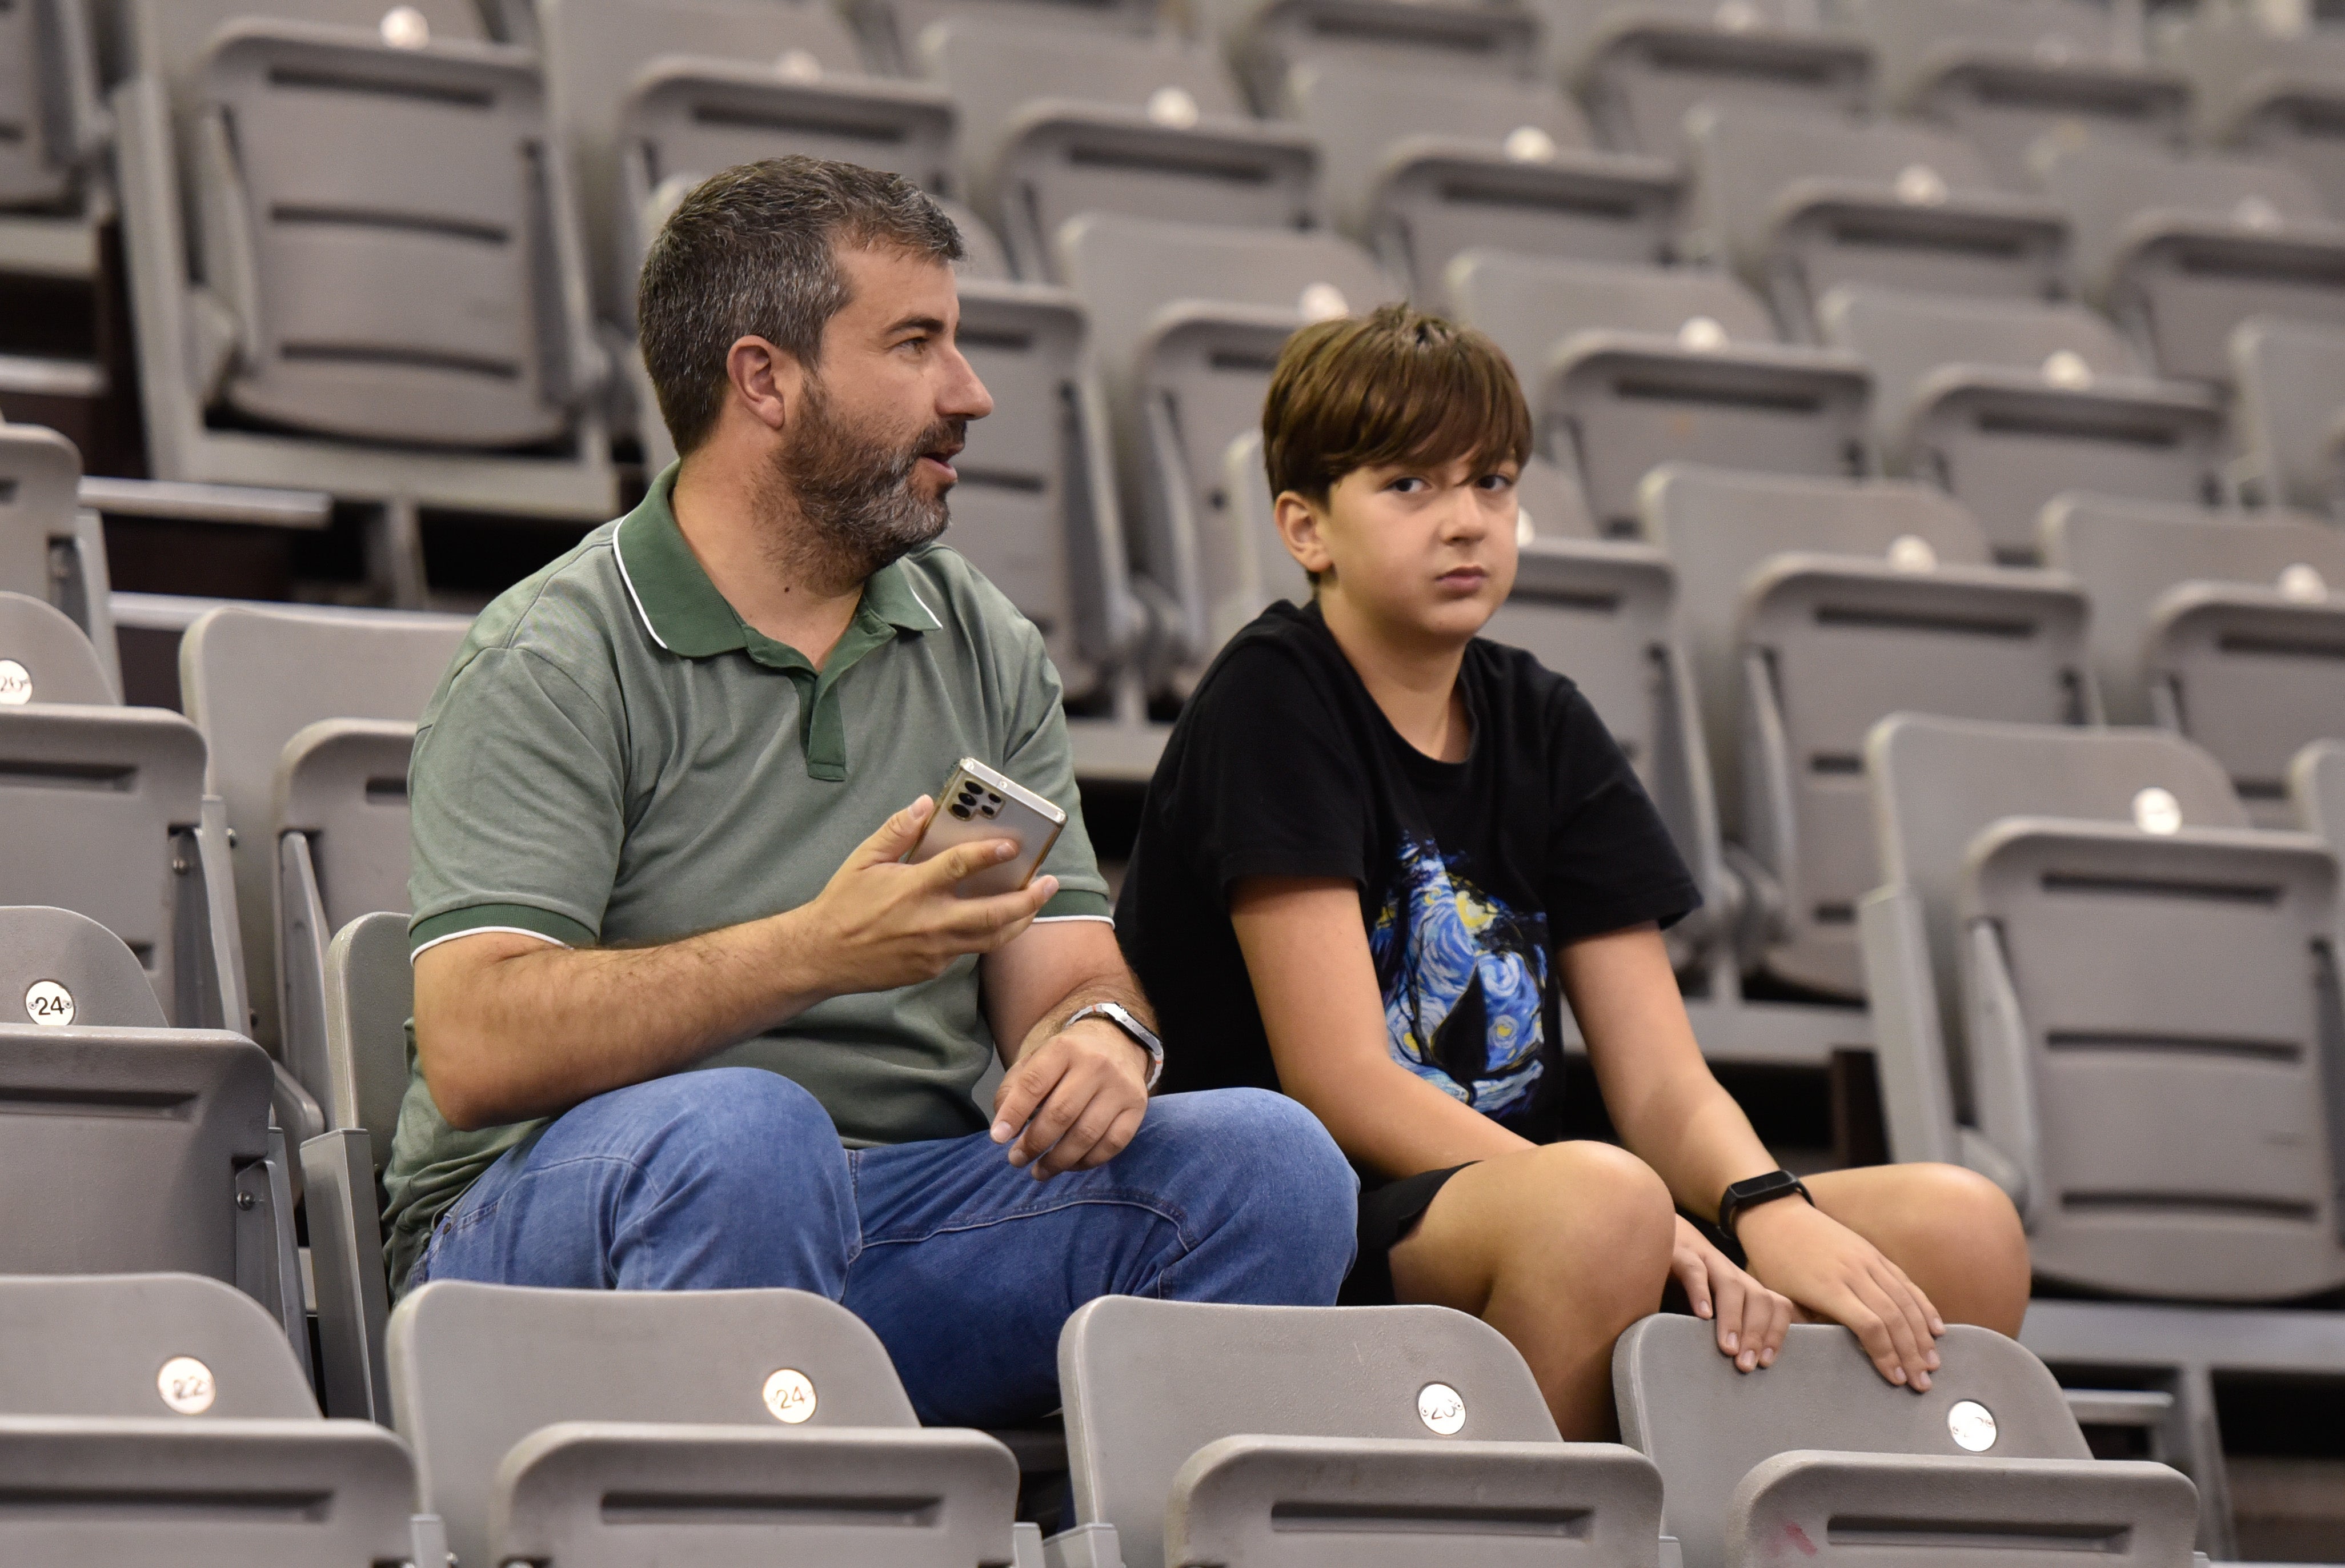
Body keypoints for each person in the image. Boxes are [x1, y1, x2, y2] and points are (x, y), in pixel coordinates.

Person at [381, 156, 1357, 1426]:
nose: (971, 394)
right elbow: (474, 1043)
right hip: (560, 1229)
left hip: (896, 1220)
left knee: (1273, 1166)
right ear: (764, 379)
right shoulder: (555, 654)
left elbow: (1063, 972)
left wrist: (1100, 1040)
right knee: (748, 1136)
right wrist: (807, 952)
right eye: (916, 344)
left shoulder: (980, 641)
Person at [1115, 303, 2031, 1439]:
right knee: (1605, 1197)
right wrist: (1647, 1218)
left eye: (1491, 481)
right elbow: (1342, 1080)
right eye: (1408, 486)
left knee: (1963, 1227)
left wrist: (1762, 1203)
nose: (1464, 521)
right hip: (1322, 1214)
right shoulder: (1272, 698)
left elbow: (1660, 1082)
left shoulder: (1543, 718)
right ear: (1306, 528)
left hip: (1539, 1196)